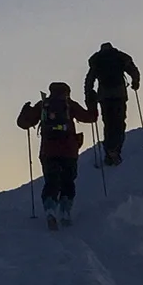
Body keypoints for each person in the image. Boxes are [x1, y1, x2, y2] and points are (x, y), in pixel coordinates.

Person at [17, 82, 97, 230]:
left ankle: (50, 209)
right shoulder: (69, 104)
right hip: (69, 151)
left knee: (51, 180)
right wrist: (92, 101)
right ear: (67, 92)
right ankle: (65, 211)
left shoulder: (43, 104)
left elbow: (23, 123)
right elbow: (91, 117)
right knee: (68, 180)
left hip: (48, 151)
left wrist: (25, 110)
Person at [83, 41, 142, 164]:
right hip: (119, 94)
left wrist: (89, 93)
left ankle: (109, 151)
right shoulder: (119, 56)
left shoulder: (97, 60)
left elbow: (89, 79)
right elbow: (132, 69)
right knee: (119, 122)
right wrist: (135, 82)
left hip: (104, 96)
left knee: (108, 123)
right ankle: (115, 150)